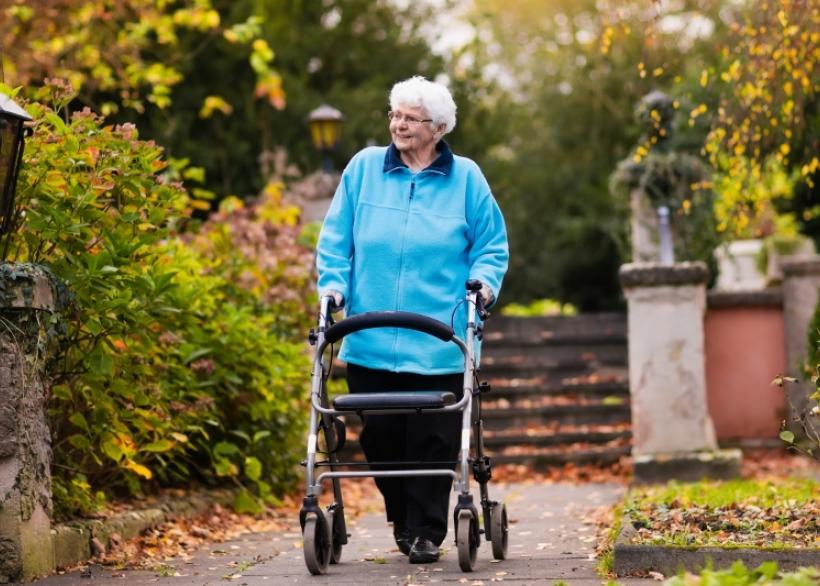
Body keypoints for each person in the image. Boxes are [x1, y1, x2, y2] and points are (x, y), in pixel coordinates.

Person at [316, 75, 509, 564]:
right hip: (370, 335)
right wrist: (332, 283)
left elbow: (490, 246)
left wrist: (483, 285)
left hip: (440, 339)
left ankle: (425, 531)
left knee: (434, 439)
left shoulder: (466, 178)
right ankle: (404, 518)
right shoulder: (363, 169)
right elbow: (336, 238)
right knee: (380, 437)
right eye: (395, 114)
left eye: (410, 118)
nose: (398, 124)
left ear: (438, 127)